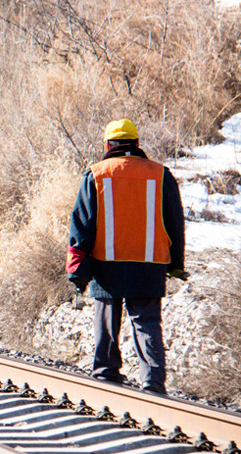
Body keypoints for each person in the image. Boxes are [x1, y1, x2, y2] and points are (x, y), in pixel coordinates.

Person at [67, 118, 186, 394]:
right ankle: (153, 382)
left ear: (108, 144)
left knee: (107, 320)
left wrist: (77, 272)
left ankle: (106, 373)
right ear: (137, 143)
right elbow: (175, 223)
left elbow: (81, 226)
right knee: (146, 323)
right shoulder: (161, 174)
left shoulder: (96, 175)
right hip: (149, 263)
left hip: (106, 264)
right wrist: (176, 264)